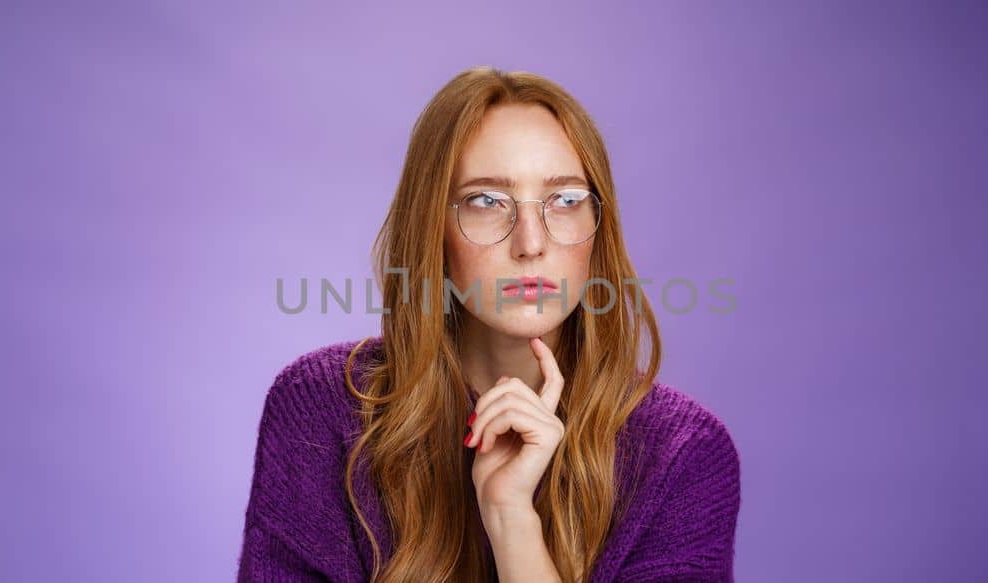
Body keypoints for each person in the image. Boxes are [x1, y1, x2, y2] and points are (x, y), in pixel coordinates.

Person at [238, 65, 740, 582]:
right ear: (432, 228)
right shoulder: (322, 410)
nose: (530, 243)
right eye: (486, 201)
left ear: (599, 229)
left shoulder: (682, 455)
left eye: (565, 201)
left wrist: (511, 520)